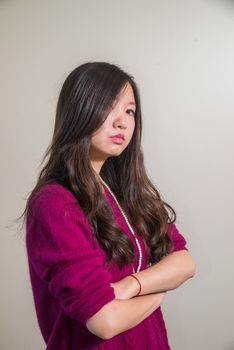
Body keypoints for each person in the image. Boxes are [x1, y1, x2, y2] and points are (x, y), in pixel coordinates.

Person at [23, 61, 196, 349]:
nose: (123, 122)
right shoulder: (54, 203)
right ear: (79, 111)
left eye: (129, 111)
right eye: (109, 106)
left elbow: (184, 262)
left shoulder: (127, 194)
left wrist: (131, 286)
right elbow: (105, 321)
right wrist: (156, 292)